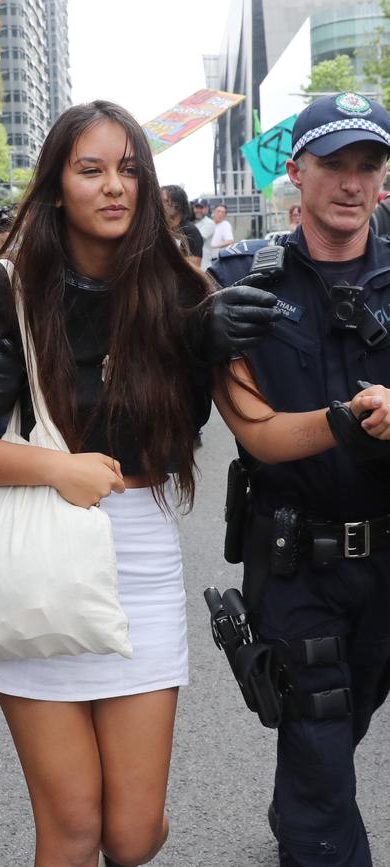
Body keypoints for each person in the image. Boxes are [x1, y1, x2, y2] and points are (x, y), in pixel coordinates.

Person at [0, 100, 279, 867]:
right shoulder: (7, 287)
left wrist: (340, 414)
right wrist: (57, 466)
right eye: (91, 169)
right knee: (75, 827)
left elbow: (258, 425)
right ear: (57, 186)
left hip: (144, 559)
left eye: (129, 169)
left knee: (131, 833)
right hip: (37, 553)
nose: (114, 186)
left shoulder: (185, 289)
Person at [210, 91, 390, 867]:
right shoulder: (238, 282)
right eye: (334, 164)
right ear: (298, 173)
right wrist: (198, 331)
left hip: (387, 557)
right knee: (318, 737)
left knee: (345, 722)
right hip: (294, 562)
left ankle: (302, 812)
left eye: (369, 165)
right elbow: (251, 427)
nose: (351, 183)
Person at [160, 184, 203, 267]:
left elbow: (194, 265)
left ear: (178, 205)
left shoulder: (190, 231)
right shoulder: (161, 229)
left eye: (164, 201)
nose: (160, 205)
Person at [192, 197, 215, 270]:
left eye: (201, 208)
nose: (198, 210)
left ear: (207, 209)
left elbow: (195, 240)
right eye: (196, 207)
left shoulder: (210, 223)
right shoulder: (191, 222)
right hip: (191, 265)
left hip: (203, 266)